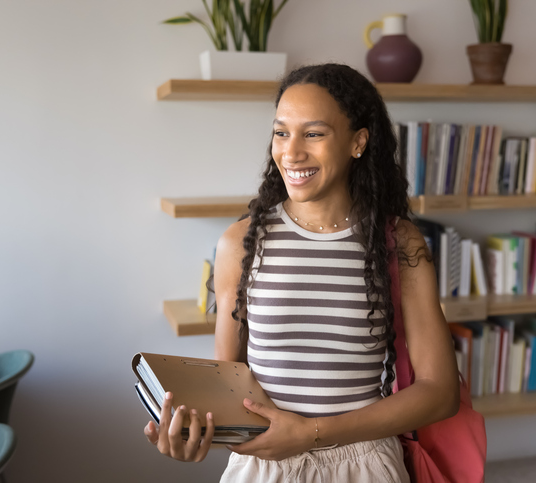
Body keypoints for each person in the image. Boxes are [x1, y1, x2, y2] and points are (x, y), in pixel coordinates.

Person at [144, 63, 460, 482]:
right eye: (281, 132)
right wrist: (195, 434)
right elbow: (228, 384)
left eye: (313, 133)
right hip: (264, 469)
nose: (291, 152)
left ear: (358, 142)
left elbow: (440, 393)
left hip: (362, 466)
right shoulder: (240, 243)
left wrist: (313, 434)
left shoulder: (399, 244)